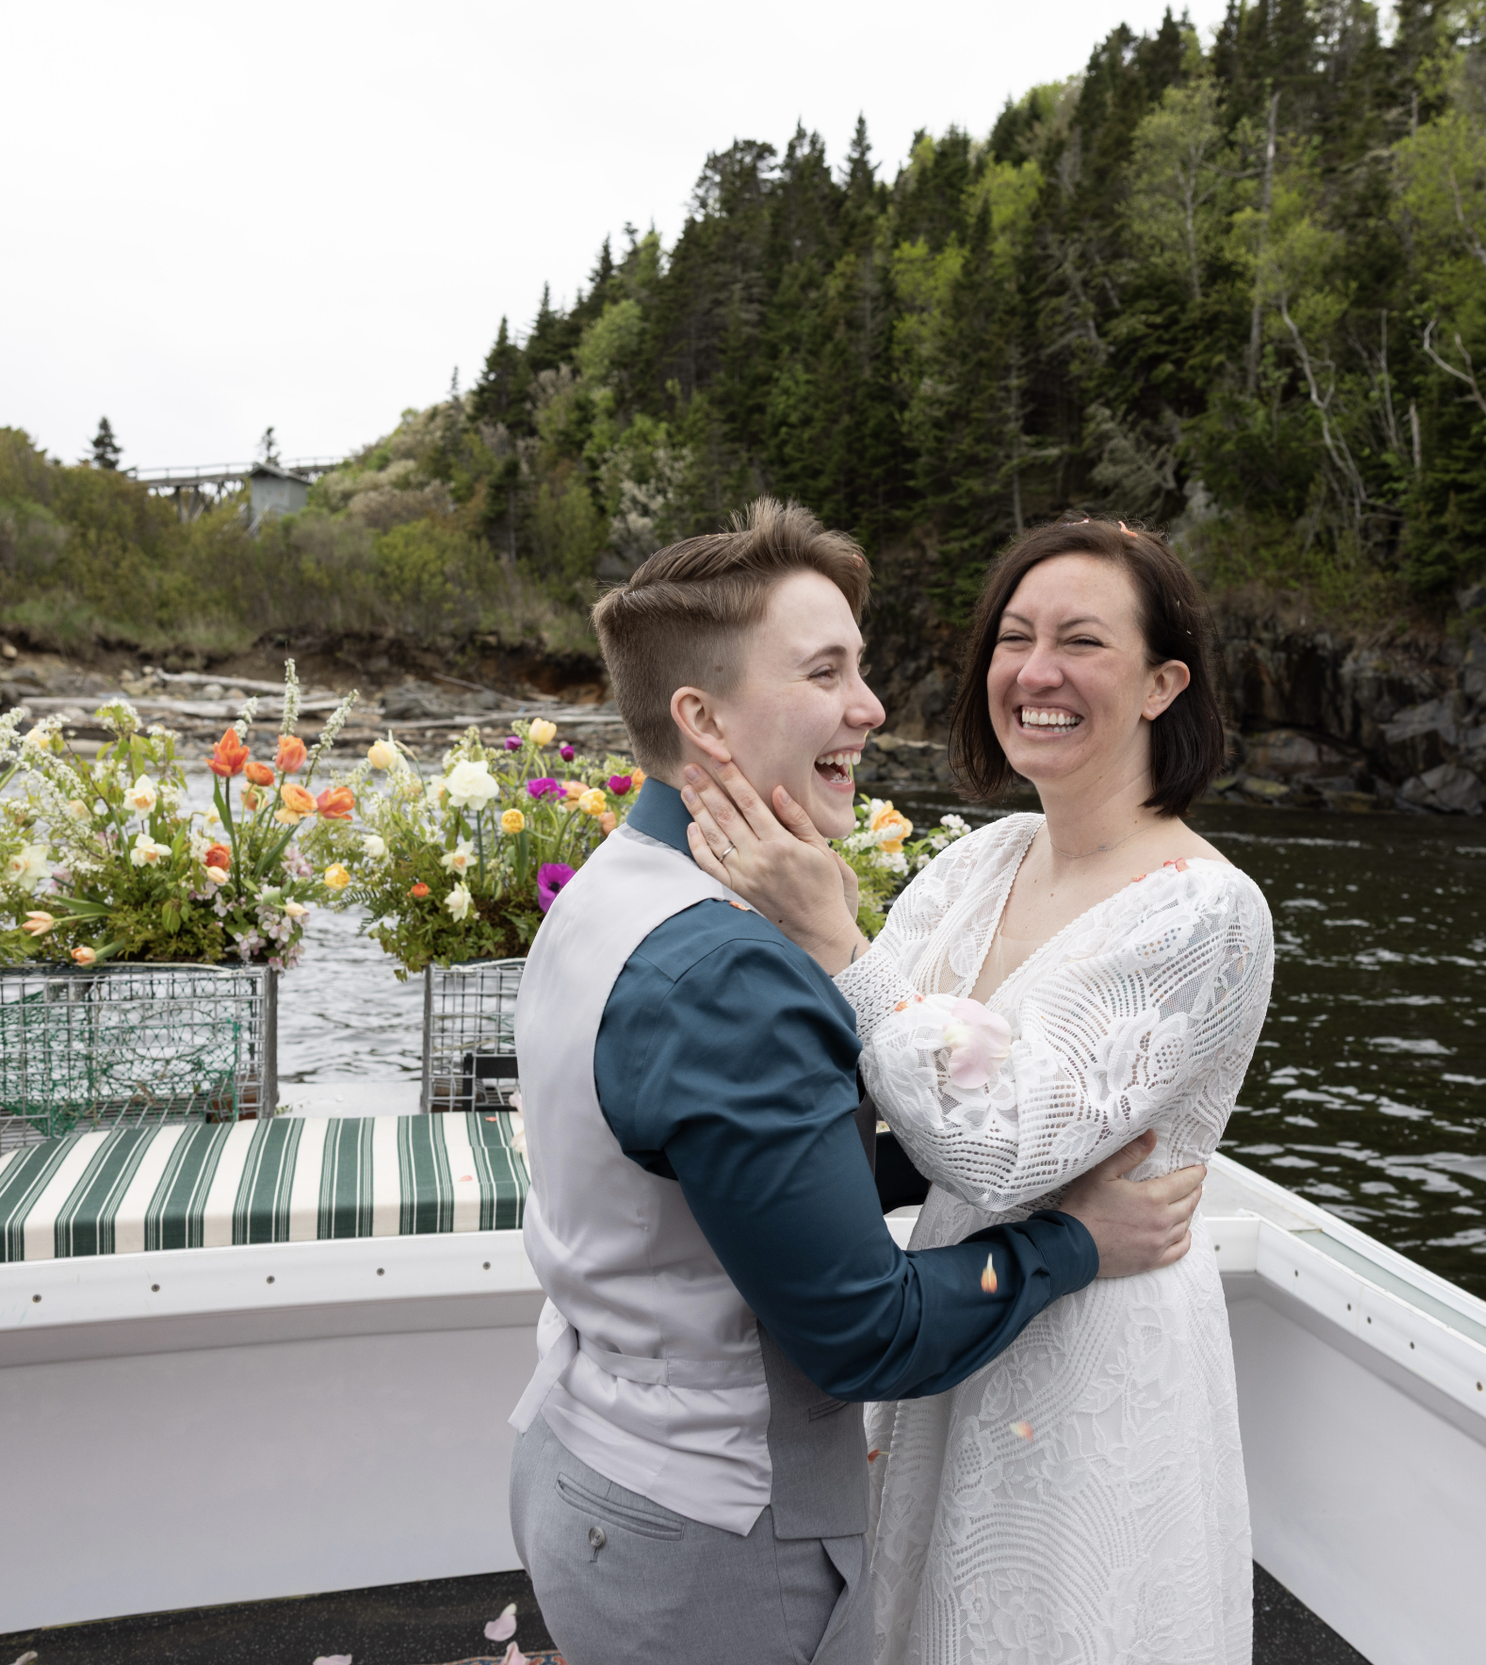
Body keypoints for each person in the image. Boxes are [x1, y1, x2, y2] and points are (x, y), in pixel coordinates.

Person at [507, 500, 1210, 1665]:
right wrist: (1077, 1241)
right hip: (714, 1537)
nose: (872, 707)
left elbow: (727, 1170)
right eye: (825, 671)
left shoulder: (609, 889)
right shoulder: (730, 972)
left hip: (585, 1459)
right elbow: (867, 1335)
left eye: (861, 667)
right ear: (703, 720)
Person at [683, 516, 1275, 1665]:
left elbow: (1005, 1149)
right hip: (960, 1306)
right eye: (1014, 638)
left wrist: (836, 939)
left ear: (1162, 685)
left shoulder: (1205, 911)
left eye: (1081, 642)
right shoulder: (979, 861)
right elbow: (867, 1068)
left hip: (1096, 1336)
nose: (1035, 672)